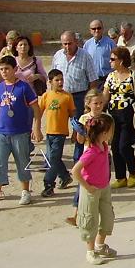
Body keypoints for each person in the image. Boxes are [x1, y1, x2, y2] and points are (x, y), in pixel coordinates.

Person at [0, 55, 43, 211]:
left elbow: (36, 109)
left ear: (15, 69)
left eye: (7, 68)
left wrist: (36, 127)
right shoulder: (0, 87)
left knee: (22, 162)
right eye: (1, 69)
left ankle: (25, 191)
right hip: (1, 132)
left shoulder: (24, 87)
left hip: (20, 132)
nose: (4, 72)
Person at [71, 113, 117, 265]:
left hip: (104, 187)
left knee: (107, 218)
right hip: (91, 190)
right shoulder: (90, 151)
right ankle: (90, 251)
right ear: (104, 132)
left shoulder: (104, 147)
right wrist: (87, 187)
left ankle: (100, 245)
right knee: (89, 219)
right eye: (111, 130)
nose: (112, 134)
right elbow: (75, 171)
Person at [103, 46, 135, 189]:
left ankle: (133, 173)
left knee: (124, 146)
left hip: (128, 114)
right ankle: (120, 177)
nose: (110, 62)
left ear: (121, 61)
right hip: (113, 114)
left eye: (113, 59)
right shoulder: (110, 77)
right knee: (114, 146)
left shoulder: (134, 76)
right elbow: (105, 96)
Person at [38, 68, 77, 197]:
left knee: (53, 159)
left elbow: (73, 115)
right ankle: (65, 176)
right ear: (50, 82)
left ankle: (48, 185)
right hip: (49, 132)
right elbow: (38, 113)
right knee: (52, 158)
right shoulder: (46, 96)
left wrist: (75, 132)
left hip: (61, 133)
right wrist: (36, 129)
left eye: (61, 79)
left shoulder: (67, 96)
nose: (60, 82)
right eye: (57, 80)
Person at [51, 30, 99, 119]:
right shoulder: (57, 56)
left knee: (78, 125)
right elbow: (52, 77)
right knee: (59, 123)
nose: (67, 47)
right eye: (64, 44)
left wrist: (89, 101)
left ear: (76, 42)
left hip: (78, 98)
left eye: (70, 43)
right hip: (61, 95)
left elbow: (93, 81)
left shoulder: (85, 56)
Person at [83, 20, 116, 88]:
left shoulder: (111, 43)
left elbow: (116, 61)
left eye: (99, 28)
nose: (97, 30)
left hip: (107, 79)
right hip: (91, 81)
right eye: (94, 29)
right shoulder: (87, 45)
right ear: (90, 30)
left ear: (103, 29)